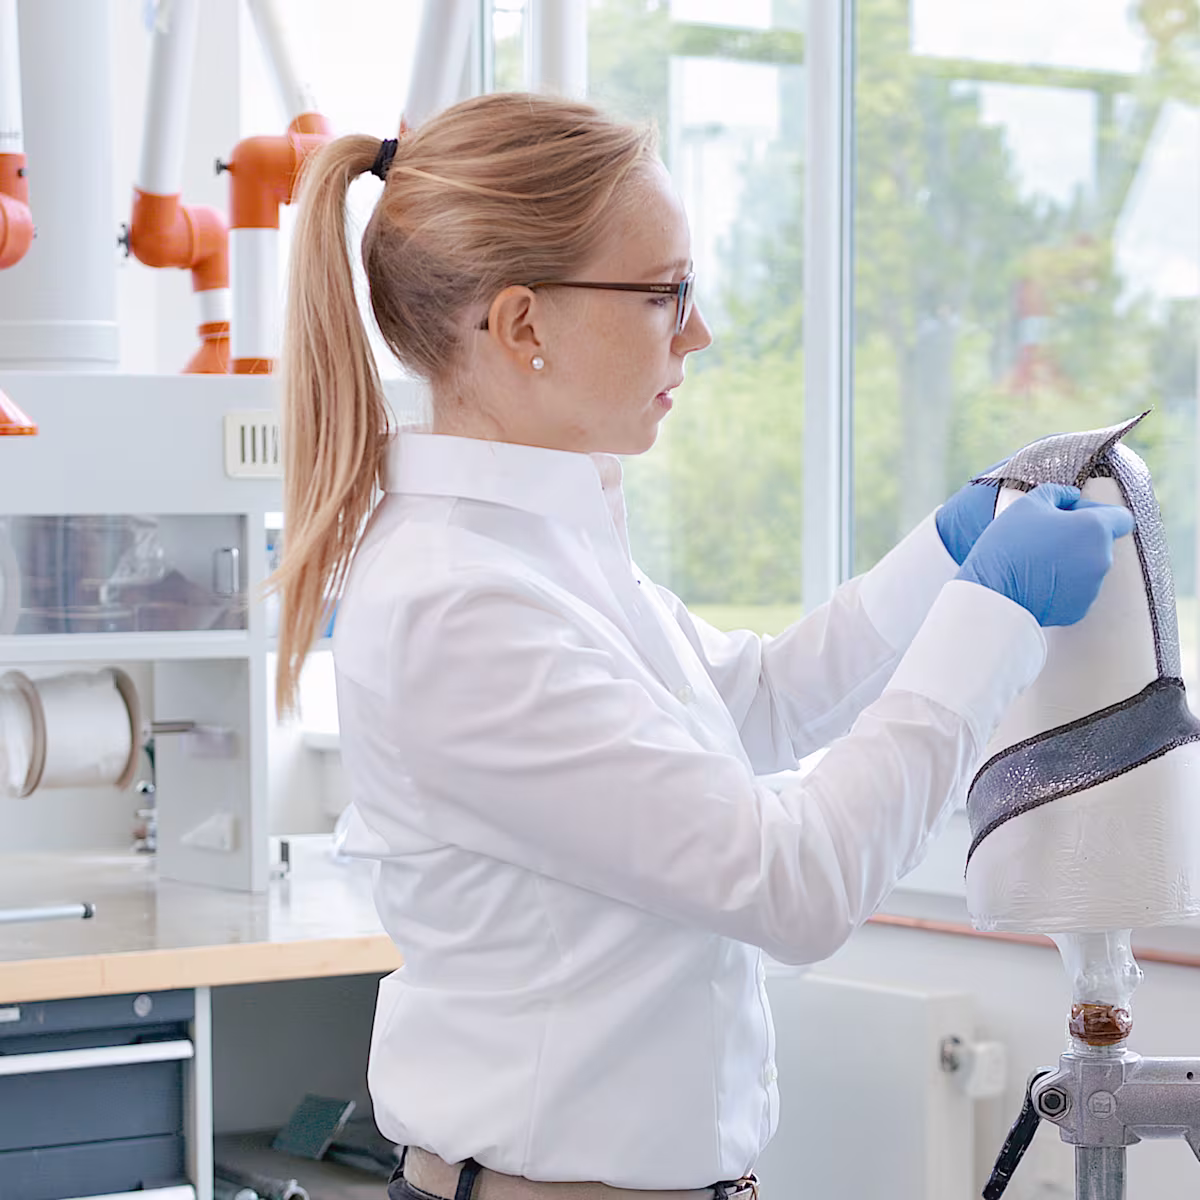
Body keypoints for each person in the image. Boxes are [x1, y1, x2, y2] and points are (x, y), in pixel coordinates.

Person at [271, 92, 1133, 1200]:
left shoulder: (547, 544)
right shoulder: (457, 605)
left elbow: (756, 703)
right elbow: (793, 884)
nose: (698, 332)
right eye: (664, 293)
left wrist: (943, 553)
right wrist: (994, 614)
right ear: (524, 325)